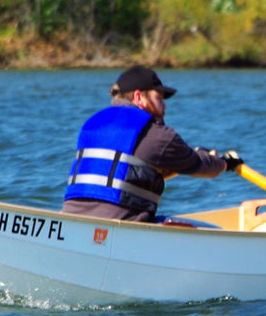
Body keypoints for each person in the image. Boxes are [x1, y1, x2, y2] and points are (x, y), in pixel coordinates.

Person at [62, 65, 242, 223]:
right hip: (121, 227)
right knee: (207, 229)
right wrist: (225, 163)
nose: (164, 106)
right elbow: (203, 166)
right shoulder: (158, 135)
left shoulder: (91, 125)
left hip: (72, 219)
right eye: (159, 99)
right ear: (139, 96)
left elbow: (130, 171)